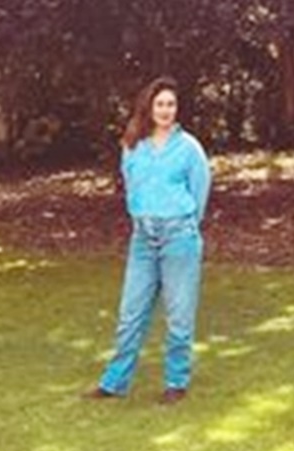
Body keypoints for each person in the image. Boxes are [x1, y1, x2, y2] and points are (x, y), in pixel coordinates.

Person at [87, 76, 212, 405]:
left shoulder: (189, 149)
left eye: (171, 104)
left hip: (179, 238)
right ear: (149, 107)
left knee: (179, 315)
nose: (166, 110)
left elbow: (200, 191)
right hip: (142, 238)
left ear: (177, 109)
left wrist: (182, 223)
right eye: (160, 104)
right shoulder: (133, 144)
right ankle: (114, 383)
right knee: (131, 313)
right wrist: (142, 216)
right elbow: (131, 185)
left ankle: (176, 382)